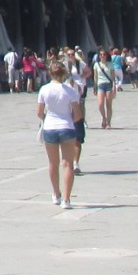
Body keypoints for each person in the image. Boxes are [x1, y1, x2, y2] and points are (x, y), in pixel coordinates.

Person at [37, 60, 83, 209]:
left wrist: (47, 119)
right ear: (63, 74)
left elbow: (39, 113)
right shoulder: (70, 91)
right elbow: (78, 115)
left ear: (50, 73)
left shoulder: (44, 90)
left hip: (50, 128)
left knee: (52, 163)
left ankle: (56, 194)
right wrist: (68, 119)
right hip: (67, 128)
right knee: (68, 164)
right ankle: (67, 199)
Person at [92, 49, 116, 128]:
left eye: (104, 54)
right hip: (100, 85)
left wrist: (114, 86)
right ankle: (104, 118)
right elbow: (95, 76)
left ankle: (108, 122)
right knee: (100, 104)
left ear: (106, 55)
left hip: (109, 84)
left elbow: (113, 76)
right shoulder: (96, 64)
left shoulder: (110, 64)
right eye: (101, 54)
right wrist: (94, 86)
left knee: (109, 105)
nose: (102, 56)